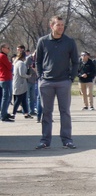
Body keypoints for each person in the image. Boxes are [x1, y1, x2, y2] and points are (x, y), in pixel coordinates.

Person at [35, 16, 80, 149]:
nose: (61, 27)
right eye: (58, 25)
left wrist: (71, 78)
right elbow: (38, 61)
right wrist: (40, 77)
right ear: (51, 26)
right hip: (46, 82)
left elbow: (76, 62)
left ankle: (67, 140)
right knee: (46, 112)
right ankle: (45, 140)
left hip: (63, 82)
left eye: (62, 25)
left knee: (64, 111)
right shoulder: (43, 41)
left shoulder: (69, 42)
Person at [11, 48, 32, 119]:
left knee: (23, 99)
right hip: (20, 84)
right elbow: (22, 73)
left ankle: (26, 113)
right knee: (18, 99)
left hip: (19, 83)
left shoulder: (16, 62)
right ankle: (13, 113)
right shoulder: (21, 63)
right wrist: (28, 76)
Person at [0, 43, 12, 122]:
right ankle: (3, 115)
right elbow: (10, 66)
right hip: (5, 79)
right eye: (7, 48)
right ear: (3, 48)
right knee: (6, 97)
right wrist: (11, 63)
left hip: (3, 78)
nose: (9, 50)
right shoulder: (2, 56)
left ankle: (4, 112)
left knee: (5, 97)